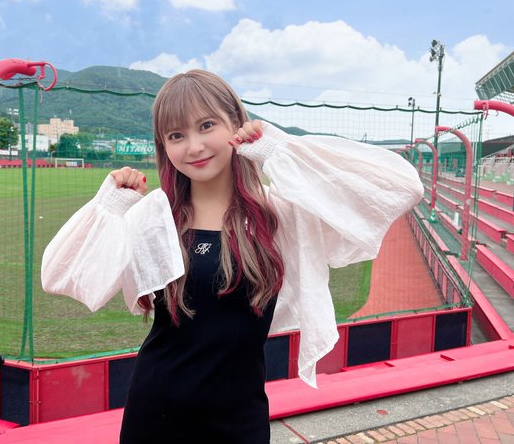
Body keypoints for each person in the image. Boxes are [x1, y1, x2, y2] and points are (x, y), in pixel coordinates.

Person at [41, 70, 423, 443]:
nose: (194, 146)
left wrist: (279, 150)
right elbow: (58, 277)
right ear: (164, 147)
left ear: (236, 125)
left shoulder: (278, 214)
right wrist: (109, 208)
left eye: (207, 126)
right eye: (176, 135)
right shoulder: (155, 217)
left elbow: (401, 188)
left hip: (240, 418)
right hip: (155, 412)